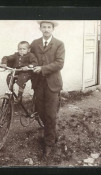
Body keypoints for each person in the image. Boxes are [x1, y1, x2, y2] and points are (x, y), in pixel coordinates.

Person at [31, 20, 65, 158]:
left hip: (53, 84)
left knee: (50, 114)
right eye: (43, 27)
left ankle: (49, 143)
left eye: (48, 27)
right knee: (40, 111)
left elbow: (59, 63)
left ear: (53, 29)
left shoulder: (59, 44)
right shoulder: (34, 43)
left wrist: (42, 68)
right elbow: (25, 56)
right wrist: (6, 61)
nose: (46, 29)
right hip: (38, 83)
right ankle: (52, 132)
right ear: (40, 28)